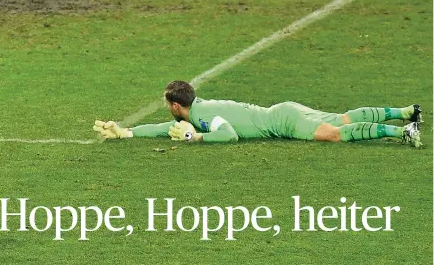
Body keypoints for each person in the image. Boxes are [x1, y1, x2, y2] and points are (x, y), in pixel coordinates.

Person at [93, 80, 422, 147]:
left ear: (177, 105)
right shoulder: (198, 109)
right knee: (344, 118)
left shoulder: (203, 119)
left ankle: (402, 132)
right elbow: (166, 127)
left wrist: (198, 137)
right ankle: (406, 111)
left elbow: (228, 134)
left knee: (334, 133)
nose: (169, 112)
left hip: (285, 121)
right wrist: (127, 131)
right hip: (286, 110)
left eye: (169, 106)